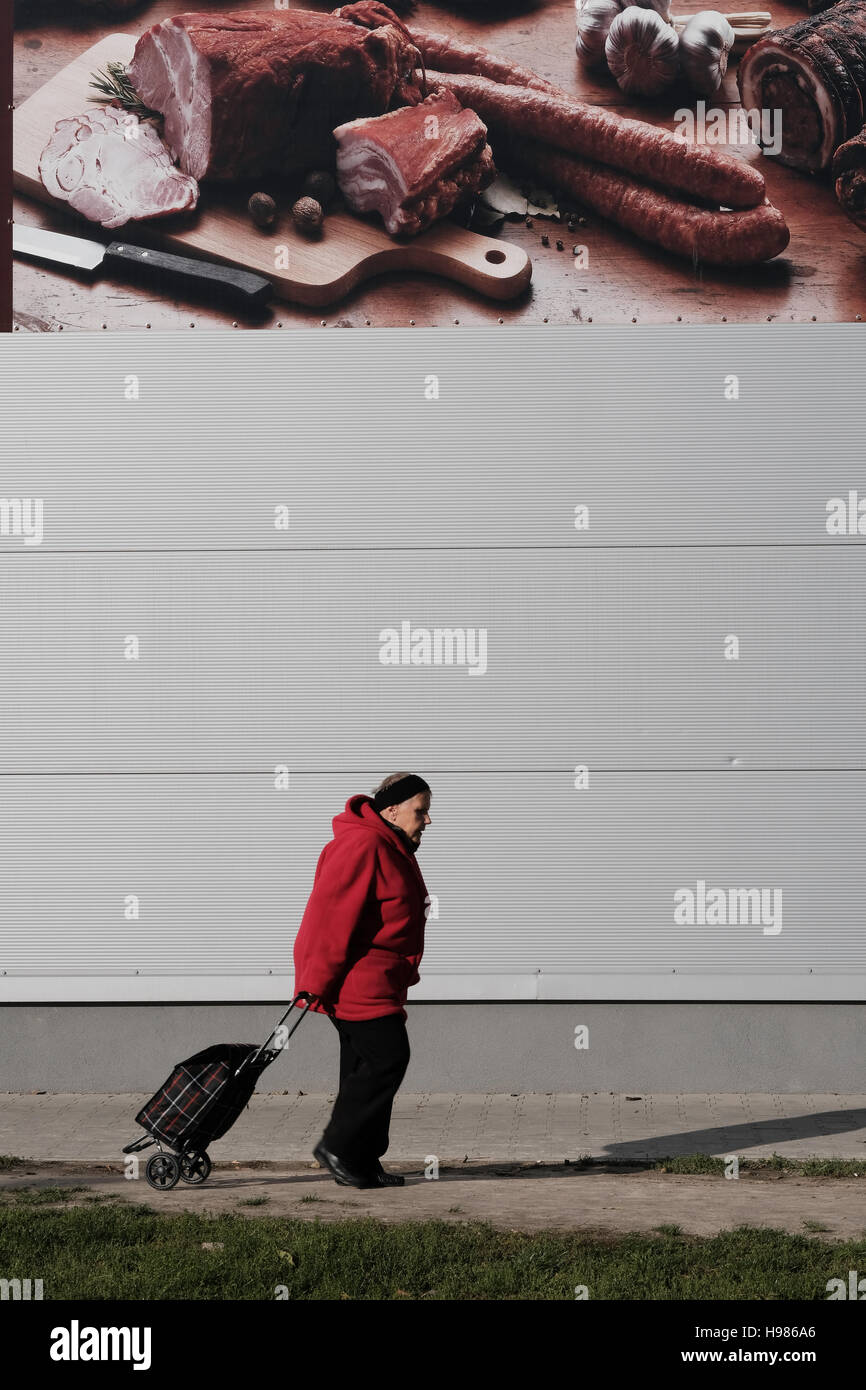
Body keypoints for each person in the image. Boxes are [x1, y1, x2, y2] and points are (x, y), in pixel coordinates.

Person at [293, 772, 431, 1189]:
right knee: (387, 1058)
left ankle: (361, 1161)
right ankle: (338, 1146)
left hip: (380, 979)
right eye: (420, 811)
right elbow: (330, 918)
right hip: (358, 982)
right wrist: (313, 981)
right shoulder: (363, 844)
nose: (427, 821)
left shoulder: (390, 845)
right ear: (391, 810)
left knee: (360, 1066)